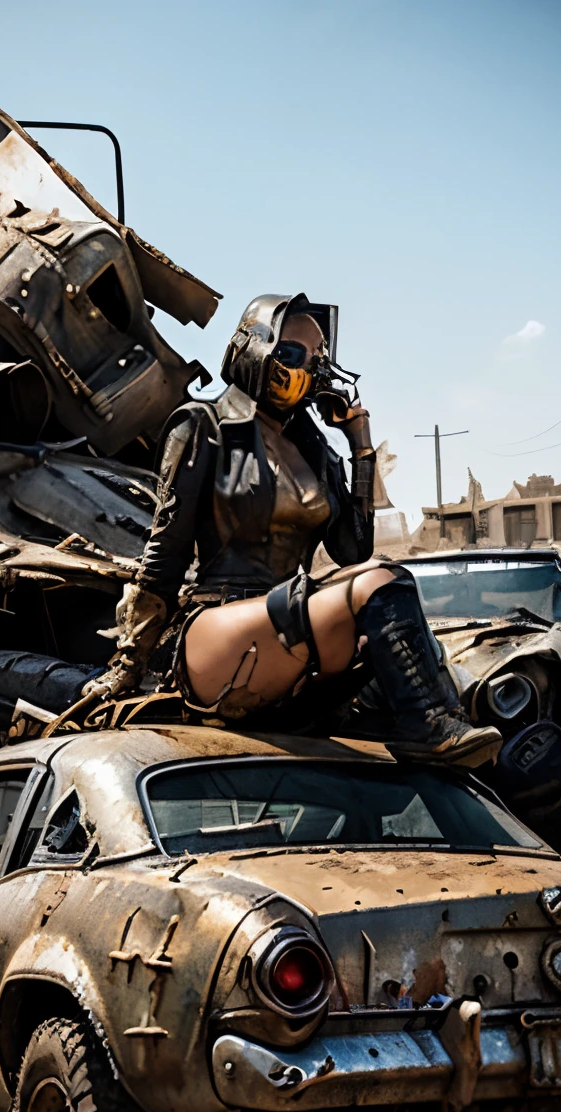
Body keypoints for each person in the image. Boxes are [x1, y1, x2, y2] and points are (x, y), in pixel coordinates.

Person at [84, 293, 500, 765]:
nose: (306, 370)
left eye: (317, 361)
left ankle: (441, 731)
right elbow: (165, 554)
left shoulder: (314, 449)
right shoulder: (203, 425)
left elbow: (353, 551)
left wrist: (359, 447)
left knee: (393, 590)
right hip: (218, 631)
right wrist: (127, 664)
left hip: (289, 624)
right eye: (291, 354)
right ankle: (427, 727)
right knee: (384, 581)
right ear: (254, 350)